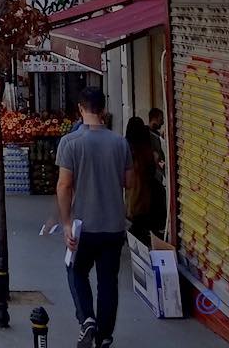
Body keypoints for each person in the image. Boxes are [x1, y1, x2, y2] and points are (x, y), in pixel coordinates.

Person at [57, 88, 131, 348]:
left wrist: (66, 223)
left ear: (80, 108)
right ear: (103, 110)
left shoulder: (70, 143)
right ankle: (105, 335)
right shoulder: (120, 143)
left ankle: (87, 318)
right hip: (113, 225)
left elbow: (64, 185)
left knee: (76, 271)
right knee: (108, 282)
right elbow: (128, 182)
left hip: (83, 225)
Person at [124, 116, 165, 243]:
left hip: (133, 191)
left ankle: (135, 235)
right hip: (145, 190)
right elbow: (152, 169)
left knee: (138, 218)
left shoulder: (127, 147)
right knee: (142, 219)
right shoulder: (146, 148)